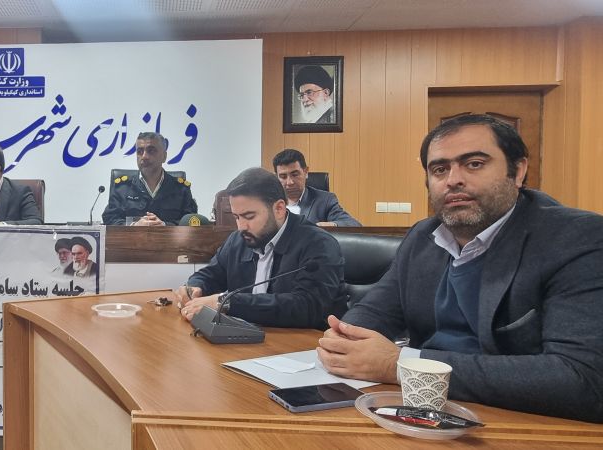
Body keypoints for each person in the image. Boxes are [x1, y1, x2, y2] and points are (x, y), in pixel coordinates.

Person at [316, 114, 603, 423]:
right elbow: (375, 311)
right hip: (424, 411)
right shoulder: (423, 236)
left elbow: (581, 379)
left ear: (518, 171)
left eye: (474, 164)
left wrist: (399, 365)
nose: (453, 180)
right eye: (439, 169)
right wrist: (345, 342)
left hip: (522, 421)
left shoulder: (576, 239)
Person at [174, 167, 346, 329]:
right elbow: (211, 274)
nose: (241, 226)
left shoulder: (319, 244)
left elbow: (306, 307)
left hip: (304, 343)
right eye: (237, 217)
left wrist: (228, 302)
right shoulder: (239, 239)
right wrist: (195, 287)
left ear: (279, 209)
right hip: (246, 338)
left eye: (249, 216)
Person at [101, 132, 198, 226]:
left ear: (164, 156)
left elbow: (191, 222)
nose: (144, 156)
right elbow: (110, 219)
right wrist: (134, 226)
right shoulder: (122, 188)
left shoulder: (181, 189)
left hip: (169, 237)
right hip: (132, 237)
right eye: (140, 152)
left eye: (151, 151)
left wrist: (165, 225)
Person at [272, 149, 360, 227]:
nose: (289, 182)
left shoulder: (325, 200)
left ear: (306, 172)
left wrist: (330, 225)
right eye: (283, 177)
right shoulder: (269, 202)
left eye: (295, 175)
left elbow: (353, 224)